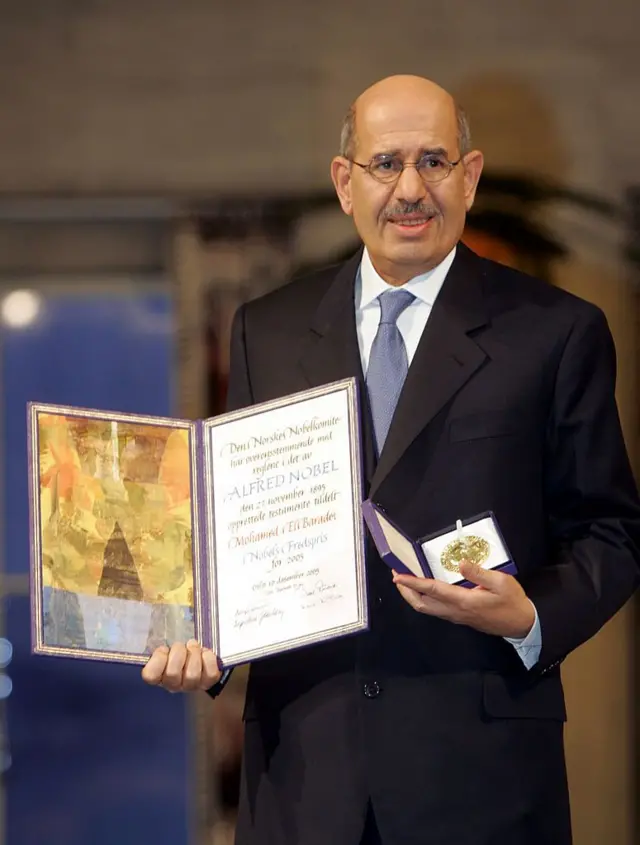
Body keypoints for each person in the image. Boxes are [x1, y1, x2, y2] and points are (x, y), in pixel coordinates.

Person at [141, 75, 640, 845]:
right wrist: (200, 642)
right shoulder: (265, 331)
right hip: (305, 779)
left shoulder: (554, 331)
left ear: (468, 178)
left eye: (434, 161)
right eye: (386, 164)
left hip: (480, 780)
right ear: (346, 183)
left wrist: (533, 613)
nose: (411, 188)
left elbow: (611, 530)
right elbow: (237, 529)